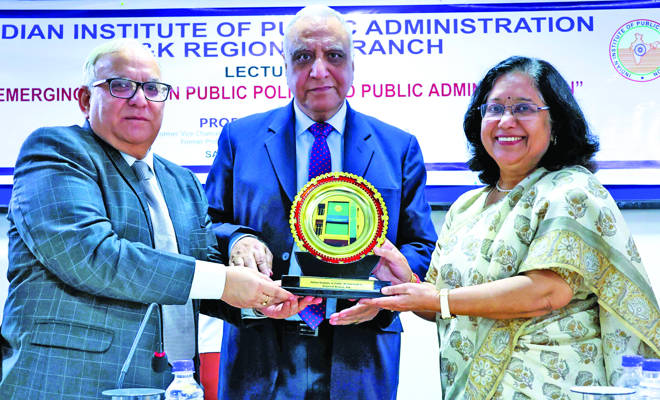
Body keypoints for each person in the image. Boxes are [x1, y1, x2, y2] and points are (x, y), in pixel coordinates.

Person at [336, 55, 660, 399]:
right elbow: (440, 306)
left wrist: (439, 298)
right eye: (494, 109)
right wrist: (405, 285)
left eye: (523, 108)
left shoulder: (572, 192)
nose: (506, 121)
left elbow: (546, 292)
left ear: (556, 123)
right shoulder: (466, 208)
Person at [0, 39, 300, 400]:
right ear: (85, 99)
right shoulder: (57, 152)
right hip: (68, 385)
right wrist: (223, 281)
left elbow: (202, 275)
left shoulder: (182, 182)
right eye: (120, 85)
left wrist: (264, 298)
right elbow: (92, 256)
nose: (140, 99)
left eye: (153, 89)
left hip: (174, 386)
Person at [204, 5, 437, 399]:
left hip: (361, 347)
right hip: (261, 346)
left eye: (333, 55)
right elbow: (207, 226)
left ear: (352, 66)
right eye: (302, 56)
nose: (318, 70)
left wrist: (383, 295)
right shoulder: (239, 138)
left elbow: (421, 244)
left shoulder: (398, 147)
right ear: (285, 66)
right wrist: (237, 239)